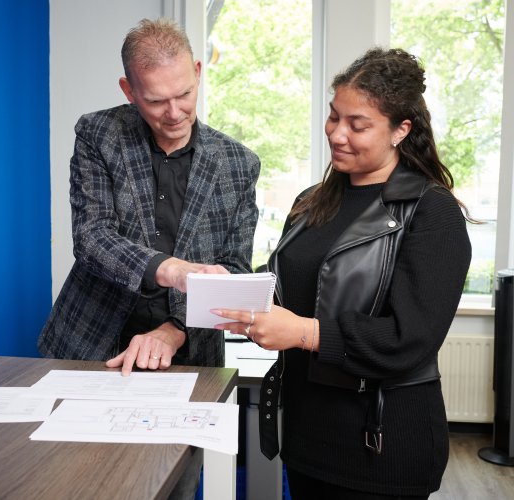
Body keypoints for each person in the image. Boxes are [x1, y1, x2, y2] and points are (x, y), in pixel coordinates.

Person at [213, 47, 472, 499]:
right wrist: (232, 286)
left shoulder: (432, 212)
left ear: (400, 130)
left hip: (381, 445)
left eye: (358, 125)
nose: (337, 133)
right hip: (307, 435)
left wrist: (304, 333)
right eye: (334, 117)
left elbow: (409, 339)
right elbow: (294, 285)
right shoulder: (311, 201)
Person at [37, 18, 259, 499]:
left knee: (170, 487)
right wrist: (171, 269)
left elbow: (236, 269)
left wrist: (174, 329)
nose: (175, 113)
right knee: (74, 484)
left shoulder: (239, 164)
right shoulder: (99, 134)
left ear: (197, 71)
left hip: (187, 360)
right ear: (129, 90)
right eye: (156, 101)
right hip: (90, 347)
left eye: (184, 94)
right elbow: (92, 237)